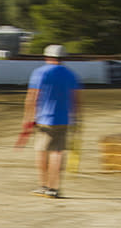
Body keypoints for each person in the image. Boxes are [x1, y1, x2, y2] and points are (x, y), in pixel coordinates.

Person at [18, 44, 82, 198]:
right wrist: (77, 119)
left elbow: (32, 97)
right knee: (58, 152)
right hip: (64, 119)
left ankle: (44, 185)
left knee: (41, 151)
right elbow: (76, 99)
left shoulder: (39, 73)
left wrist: (27, 118)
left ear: (47, 57)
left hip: (43, 119)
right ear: (64, 58)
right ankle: (55, 188)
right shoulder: (71, 74)